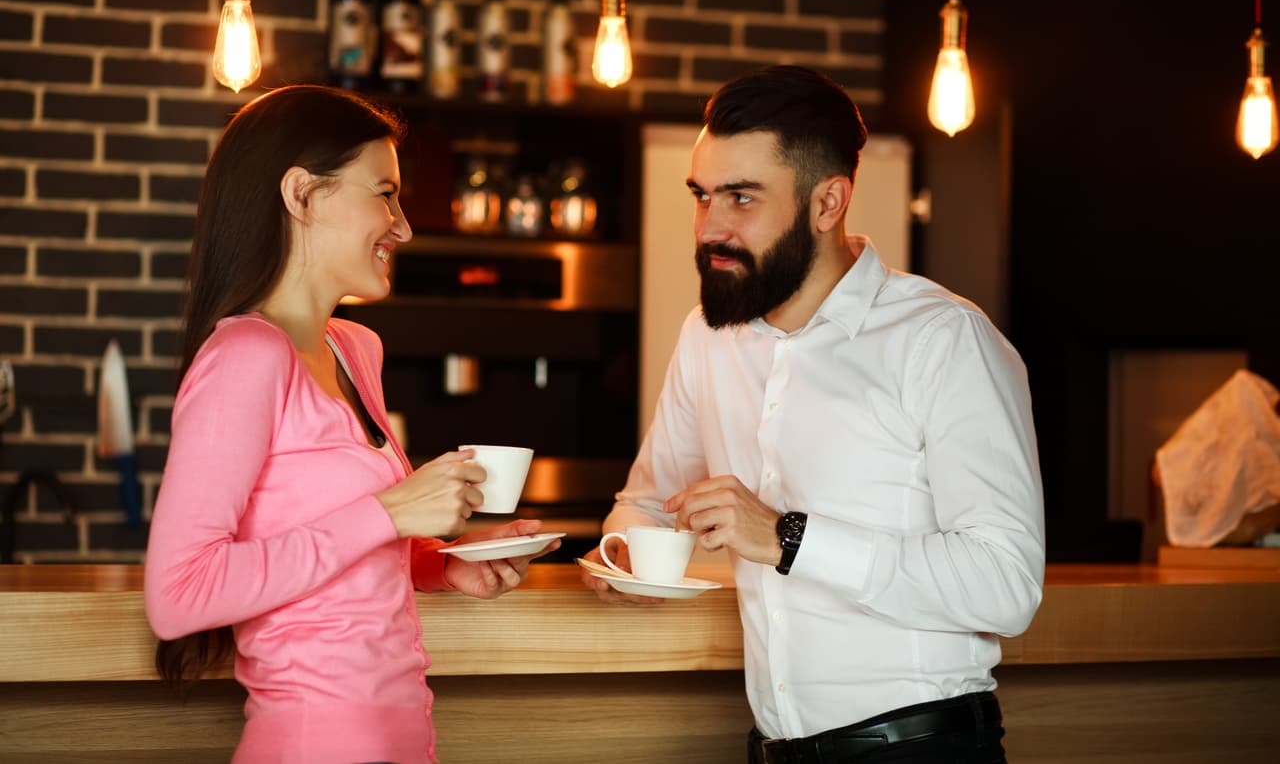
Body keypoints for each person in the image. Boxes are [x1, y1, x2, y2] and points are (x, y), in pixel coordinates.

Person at [582, 65, 1045, 763]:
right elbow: (644, 502)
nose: (711, 228)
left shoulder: (944, 339)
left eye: (742, 198)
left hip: (921, 749)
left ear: (828, 202)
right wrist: (624, 556)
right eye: (702, 196)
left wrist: (789, 537)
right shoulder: (707, 337)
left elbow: (1006, 583)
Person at [144, 84, 558, 764]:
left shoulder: (354, 348)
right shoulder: (246, 356)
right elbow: (179, 592)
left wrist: (444, 562)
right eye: (384, 193)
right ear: (302, 194)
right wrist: (392, 510)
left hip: (405, 741)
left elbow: (341, 555)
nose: (403, 225)